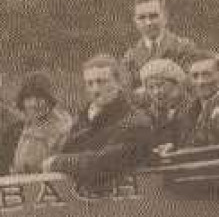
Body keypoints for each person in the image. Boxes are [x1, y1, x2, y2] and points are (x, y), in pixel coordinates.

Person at [45, 53, 155, 191]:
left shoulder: (136, 122)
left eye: (101, 82)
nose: (95, 89)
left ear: (119, 83)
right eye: (89, 83)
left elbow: (105, 162)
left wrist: (57, 162)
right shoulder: (82, 121)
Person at [121, 0, 199, 90]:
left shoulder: (183, 48)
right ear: (135, 22)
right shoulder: (130, 57)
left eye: (153, 16)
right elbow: (128, 91)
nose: (148, 22)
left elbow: (190, 84)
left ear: (165, 17)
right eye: (142, 18)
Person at [11, 71, 74, 174]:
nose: (33, 104)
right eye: (28, 98)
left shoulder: (63, 128)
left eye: (39, 98)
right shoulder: (29, 124)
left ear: (49, 99)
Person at [138, 57, 199, 150]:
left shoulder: (194, 108)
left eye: (160, 85)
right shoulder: (147, 116)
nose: (156, 92)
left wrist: (175, 147)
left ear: (176, 84)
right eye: (150, 87)